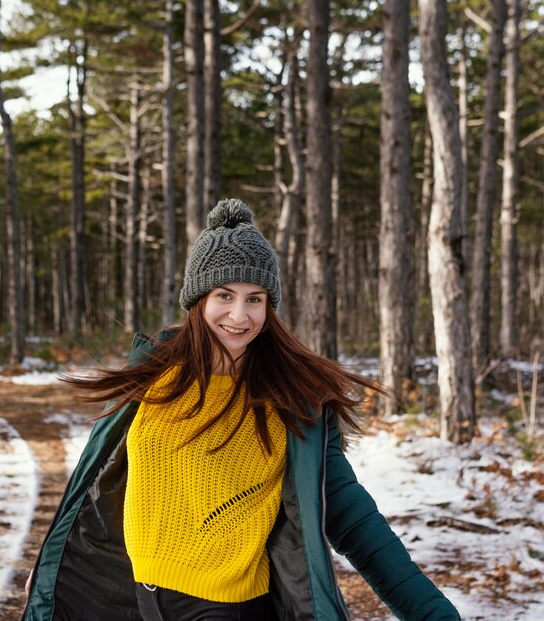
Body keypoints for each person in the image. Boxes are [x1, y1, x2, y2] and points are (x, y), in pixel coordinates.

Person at [22, 199, 461, 620]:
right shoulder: (155, 371)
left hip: (226, 609)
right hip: (146, 600)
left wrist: (433, 613)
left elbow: (356, 521)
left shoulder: (290, 399)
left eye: (255, 299)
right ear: (198, 299)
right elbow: (95, 484)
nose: (239, 314)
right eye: (224, 295)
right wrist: (50, 570)